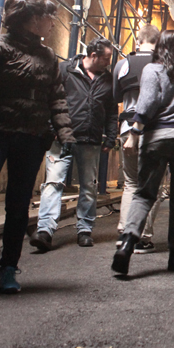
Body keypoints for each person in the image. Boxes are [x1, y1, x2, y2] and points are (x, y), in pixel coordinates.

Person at [0, 0, 75, 295]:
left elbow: (57, 100)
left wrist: (66, 135)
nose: (52, 22)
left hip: (31, 137)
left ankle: (8, 267)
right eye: (49, 17)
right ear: (33, 19)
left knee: (18, 204)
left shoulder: (49, 57)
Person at [112, 30, 174, 275]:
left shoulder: (152, 69)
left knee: (143, 194)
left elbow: (148, 102)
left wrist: (135, 132)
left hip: (157, 139)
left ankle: (128, 244)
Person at [30, 37, 118, 251]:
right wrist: (51, 129)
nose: (109, 62)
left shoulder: (107, 80)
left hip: (90, 139)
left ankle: (85, 230)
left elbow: (112, 111)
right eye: (106, 58)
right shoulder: (64, 70)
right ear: (93, 55)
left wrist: (111, 136)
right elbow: (48, 99)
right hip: (61, 138)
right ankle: (45, 230)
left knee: (89, 186)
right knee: (53, 183)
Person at [112, 24, 165, 253]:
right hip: (155, 131)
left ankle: (125, 232)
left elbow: (115, 95)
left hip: (127, 129)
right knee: (152, 185)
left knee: (131, 184)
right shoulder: (164, 66)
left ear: (138, 41)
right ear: (159, 43)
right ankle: (142, 236)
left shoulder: (122, 65)